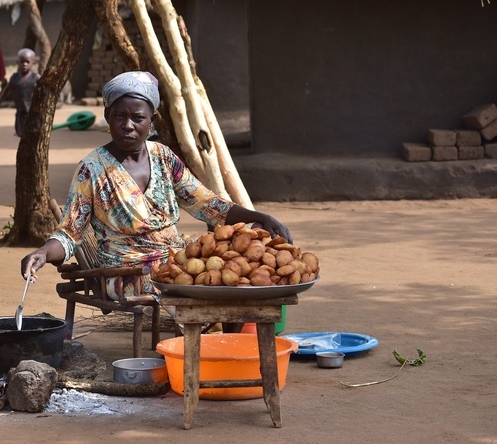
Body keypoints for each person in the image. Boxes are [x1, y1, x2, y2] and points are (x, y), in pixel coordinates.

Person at [20, 71, 293, 333]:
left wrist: (261, 218)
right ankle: (202, 349)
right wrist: (43, 253)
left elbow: (207, 203)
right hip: (128, 272)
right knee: (192, 284)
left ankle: (226, 345)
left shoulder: (163, 157)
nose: (128, 125)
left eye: (137, 118)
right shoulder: (91, 169)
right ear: (107, 117)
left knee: (231, 273)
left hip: (177, 259)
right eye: (119, 116)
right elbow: (70, 233)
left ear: (152, 120)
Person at [0, 48, 40, 137]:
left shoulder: (36, 78)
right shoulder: (15, 78)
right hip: (20, 113)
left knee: (32, 135)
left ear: (33, 63)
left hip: (33, 113)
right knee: (21, 134)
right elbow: (6, 90)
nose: (24, 64)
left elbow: (45, 92)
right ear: (17, 62)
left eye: (27, 62)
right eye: (22, 62)